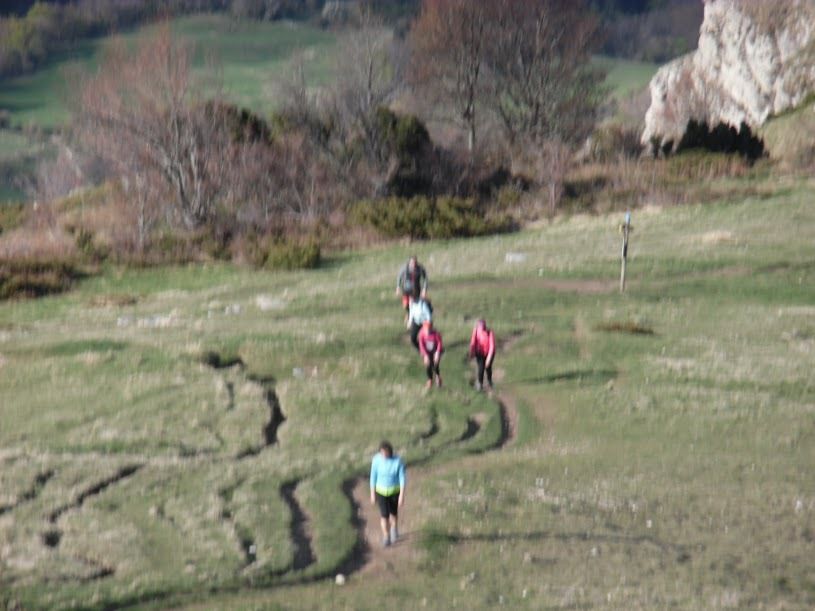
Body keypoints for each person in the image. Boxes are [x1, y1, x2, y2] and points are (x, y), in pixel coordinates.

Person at [369, 440, 406, 547]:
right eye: (382, 453)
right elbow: (373, 477)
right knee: (384, 515)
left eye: (386, 453)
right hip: (381, 492)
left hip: (394, 491)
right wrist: (372, 494)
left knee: (393, 514)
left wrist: (402, 496)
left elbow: (402, 479)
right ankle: (386, 536)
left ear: (390, 452)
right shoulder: (376, 460)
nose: (384, 455)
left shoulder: (398, 461)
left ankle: (394, 528)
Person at [468, 319, 495, 391]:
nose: (481, 328)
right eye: (480, 327)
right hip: (479, 353)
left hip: (489, 352)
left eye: (483, 327)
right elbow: (473, 341)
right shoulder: (476, 331)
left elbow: (492, 346)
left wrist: (489, 357)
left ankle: (489, 381)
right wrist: (472, 351)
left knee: (488, 367)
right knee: (481, 368)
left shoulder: (490, 332)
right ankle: (480, 383)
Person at [418, 319, 443, 389]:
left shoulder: (436, 334)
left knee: (435, 364)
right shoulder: (421, 334)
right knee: (428, 365)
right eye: (426, 329)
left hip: (435, 351)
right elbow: (421, 345)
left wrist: (437, 353)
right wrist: (425, 355)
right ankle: (430, 379)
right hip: (426, 352)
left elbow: (439, 343)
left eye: (429, 329)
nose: (427, 331)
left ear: (431, 328)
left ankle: (438, 377)